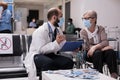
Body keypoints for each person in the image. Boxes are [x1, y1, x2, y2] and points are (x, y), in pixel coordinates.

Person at [24, 8, 74, 80]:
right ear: (54, 17)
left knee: (68, 62)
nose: (62, 19)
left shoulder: (58, 30)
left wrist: (72, 47)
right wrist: (56, 43)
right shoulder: (40, 31)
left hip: (51, 54)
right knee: (48, 63)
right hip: (37, 55)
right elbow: (41, 50)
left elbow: (60, 45)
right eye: (61, 16)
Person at [80, 10, 118, 79]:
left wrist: (94, 47)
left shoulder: (100, 28)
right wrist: (103, 47)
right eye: (83, 19)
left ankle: (114, 75)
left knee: (110, 52)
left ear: (94, 19)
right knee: (98, 52)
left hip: (101, 53)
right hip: (89, 54)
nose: (85, 21)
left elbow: (105, 42)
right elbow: (86, 46)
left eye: (87, 18)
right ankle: (99, 75)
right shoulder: (83, 31)